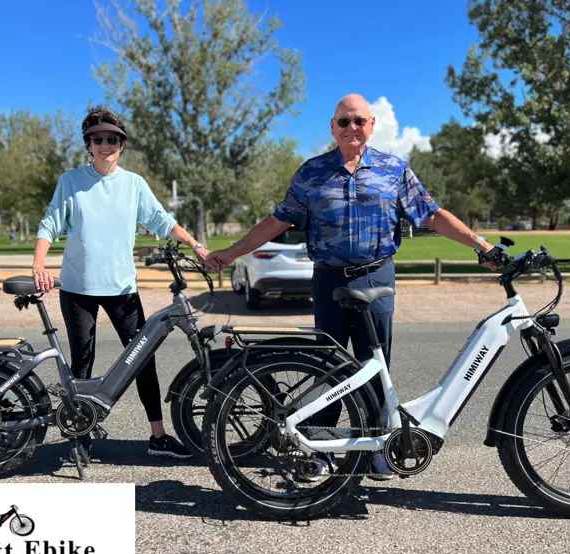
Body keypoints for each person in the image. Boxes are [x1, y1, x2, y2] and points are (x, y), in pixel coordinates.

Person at [205, 93, 496, 480]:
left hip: (376, 277)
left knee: (376, 367)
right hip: (328, 281)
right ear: (333, 126)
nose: (351, 128)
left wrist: (481, 244)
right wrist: (231, 251)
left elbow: (432, 214)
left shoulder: (393, 170)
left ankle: (377, 447)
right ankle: (321, 447)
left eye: (359, 121)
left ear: (372, 125)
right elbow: (277, 221)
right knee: (327, 366)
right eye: (344, 122)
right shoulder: (312, 173)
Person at [33, 105, 209, 460]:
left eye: (112, 140)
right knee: (83, 361)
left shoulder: (133, 184)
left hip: (122, 289)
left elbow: (162, 220)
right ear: (89, 144)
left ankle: (157, 436)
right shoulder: (71, 181)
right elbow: (50, 223)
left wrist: (196, 245)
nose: (105, 146)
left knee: (142, 360)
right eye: (98, 140)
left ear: (122, 145)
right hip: (78, 288)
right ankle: (79, 439)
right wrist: (38, 262)